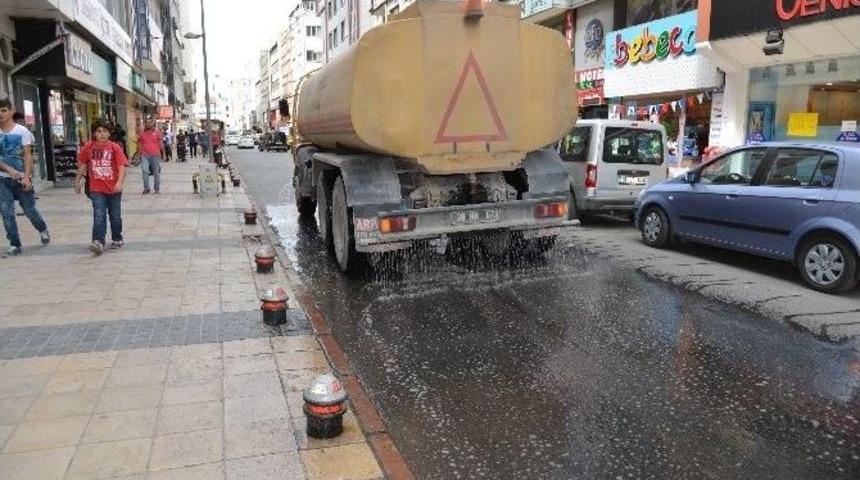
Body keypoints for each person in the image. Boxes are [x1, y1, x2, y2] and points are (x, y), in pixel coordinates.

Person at [0, 98, 50, 257]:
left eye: (4, 110)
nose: (1, 114)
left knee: (30, 211)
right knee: (7, 213)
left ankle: (42, 228)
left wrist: (27, 177)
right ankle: (15, 244)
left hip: (22, 178)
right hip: (2, 179)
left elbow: (28, 156)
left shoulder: (22, 131)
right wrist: (8, 170)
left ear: (11, 111)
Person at [75, 120, 127, 255]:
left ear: (109, 133)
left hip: (113, 188)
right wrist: (77, 181)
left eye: (105, 131)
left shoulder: (115, 148)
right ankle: (98, 241)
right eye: (99, 131)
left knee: (115, 215)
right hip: (96, 188)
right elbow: (83, 165)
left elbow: (121, 167)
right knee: (99, 214)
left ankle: (117, 238)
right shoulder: (89, 147)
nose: (102, 134)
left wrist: (119, 182)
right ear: (94, 133)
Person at [136, 118, 163, 194]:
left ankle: (157, 188)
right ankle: (146, 188)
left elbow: (161, 144)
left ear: (153, 123)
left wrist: (163, 154)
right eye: (146, 123)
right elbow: (139, 143)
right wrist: (138, 153)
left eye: (150, 123)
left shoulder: (157, 132)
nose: (148, 124)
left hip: (155, 155)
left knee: (156, 172)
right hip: (145, 155)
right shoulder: (141, 133)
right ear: (145, 124)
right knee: (145, 171)